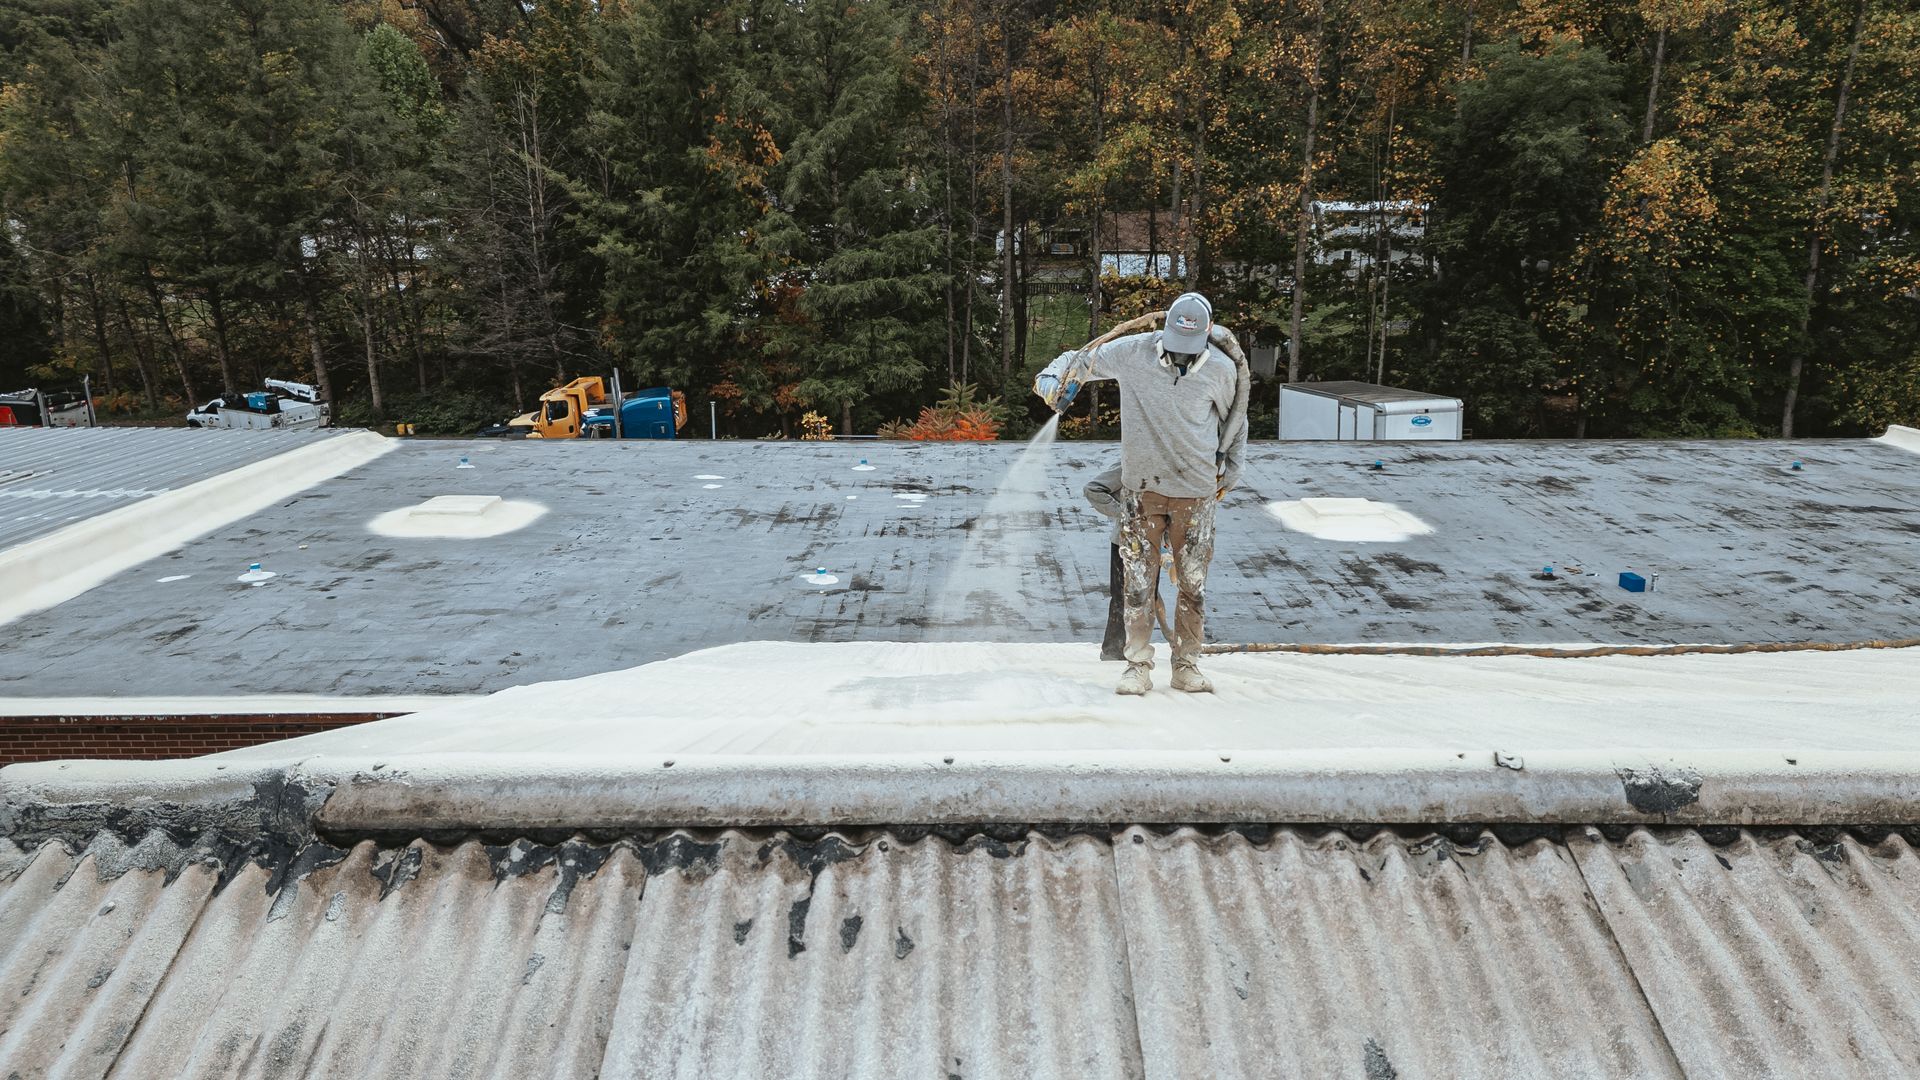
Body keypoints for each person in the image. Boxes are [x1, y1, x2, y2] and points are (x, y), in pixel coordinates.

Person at [1035, 292, 1247, 695]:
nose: (1181, 353)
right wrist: (1053, 377)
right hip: (1141, 490)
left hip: (1195, 493)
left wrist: (1233, 468)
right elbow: (1080, 359)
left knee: (1192, 585)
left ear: (1207, 333)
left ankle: (1186, 665)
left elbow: (1237, 420)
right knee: (1137, 585)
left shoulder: (1221, 369)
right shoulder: (1133, 352)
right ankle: (1137, 666)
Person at [1083, 462, 1126, 661]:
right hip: (1124, 543)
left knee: (1147, 598)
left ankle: (1134, 649)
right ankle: (1113, 650)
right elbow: (1093, 489)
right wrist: (1125, 514)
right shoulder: (1128, 463)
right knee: (1122, 598)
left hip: (1152, 542)